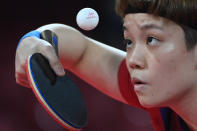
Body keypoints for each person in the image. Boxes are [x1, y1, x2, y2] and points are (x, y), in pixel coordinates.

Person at [15, 0, 197, 130]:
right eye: (129, 41)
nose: (132, 60)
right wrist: (32, 41)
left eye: (151, 39)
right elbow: (81, 52)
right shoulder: (163, 95)